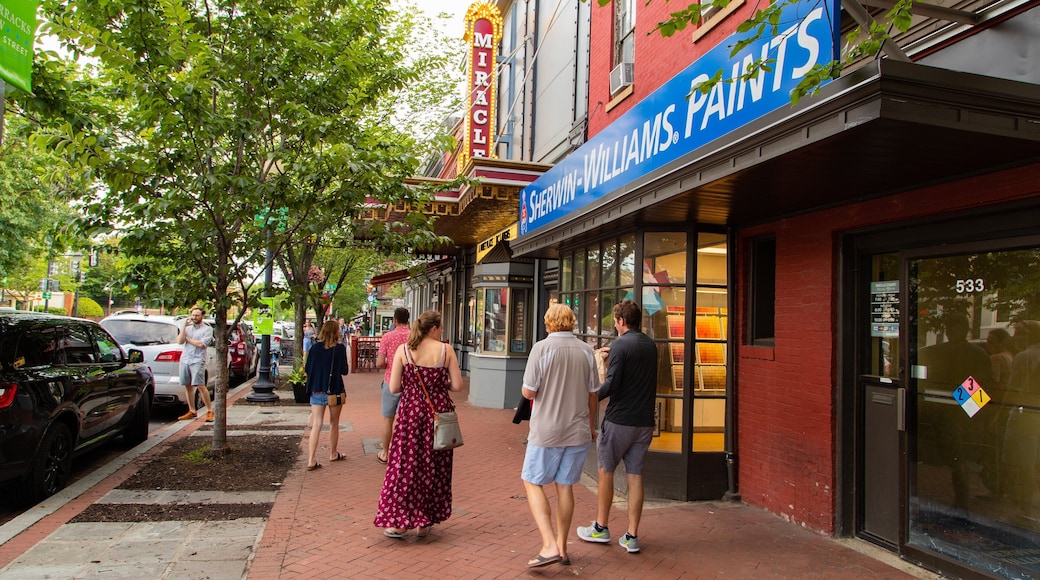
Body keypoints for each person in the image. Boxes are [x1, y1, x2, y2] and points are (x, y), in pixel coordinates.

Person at [520, 304, 598, 568]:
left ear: (549, 323)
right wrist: (591, 426)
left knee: (532, 481)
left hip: (547, 430)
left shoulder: (541, 349)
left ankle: (549, 544)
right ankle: (563, 548)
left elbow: (529, 392)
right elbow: (593, 394)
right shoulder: (586, 351)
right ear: (571, 322)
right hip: (578, 430)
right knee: (565, 486)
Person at [577, 300, 658, 554]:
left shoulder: (621, 345)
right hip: (644, 422)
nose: (615, 325)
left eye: (615, 321)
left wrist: (591, 397)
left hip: (619, 420)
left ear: (622, 321)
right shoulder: (650, 345)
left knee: (606, 471)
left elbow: (612, 384)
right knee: (635, 476)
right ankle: (632, 535)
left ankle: (600, 528)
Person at [374, 310, 463, 538]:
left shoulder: (404, 350)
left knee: (406, 464)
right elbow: (457, 386)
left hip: (411, 413)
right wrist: (439, 384)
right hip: (438, 413)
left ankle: (401, 521)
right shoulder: (446, 350)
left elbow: (394, 387)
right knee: (434, 465)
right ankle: (425, 520)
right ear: (433, 328)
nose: (442, 330)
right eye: (440, 327)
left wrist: (414, 386)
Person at [303, 320, 349, 470]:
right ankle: (333, 453)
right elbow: (344, 371)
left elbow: (308, 368)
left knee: (316, 424)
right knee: (334, 423)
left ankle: (311, 459)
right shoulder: (340, 349)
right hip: (334, 390)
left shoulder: (315, 348)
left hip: (317, 389)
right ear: (336, 332)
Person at [375, 307, 411, 464]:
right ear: (408, 320)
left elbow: (379, 362)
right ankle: (405, 454)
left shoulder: (387, 337)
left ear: (394, 320)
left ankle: (385, 452)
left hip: (390, 381)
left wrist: (389, 366)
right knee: (406, 420)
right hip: (409, 383)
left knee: (388, 419)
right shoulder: (414, 337)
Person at [176, 307, 215, 422]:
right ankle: (192, 410)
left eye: (197, 315)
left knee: (200, 385)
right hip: (185, 359)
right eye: (193, 315)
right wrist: (184, 327)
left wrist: (187, 339)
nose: (194, 318)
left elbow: (201, 344)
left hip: (197, 360)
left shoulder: (207, 329)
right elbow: (180, 341)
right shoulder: (188, 329)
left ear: (202, 316)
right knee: (187, 385)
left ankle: (209, 411)